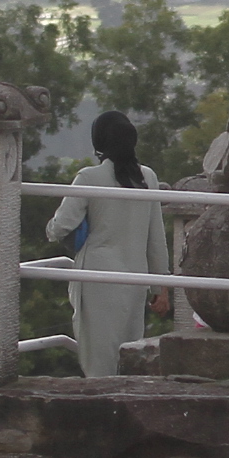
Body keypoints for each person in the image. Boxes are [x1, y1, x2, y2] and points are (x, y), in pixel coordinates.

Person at [46, 112, 171, 379]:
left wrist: (51, 229)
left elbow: (60, 226)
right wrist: (161, 288)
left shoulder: (89, 177)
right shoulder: (148, 178)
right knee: (128, 352)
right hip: (135, 277)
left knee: (98, 358)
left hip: (97, 277)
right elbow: (156, 238)